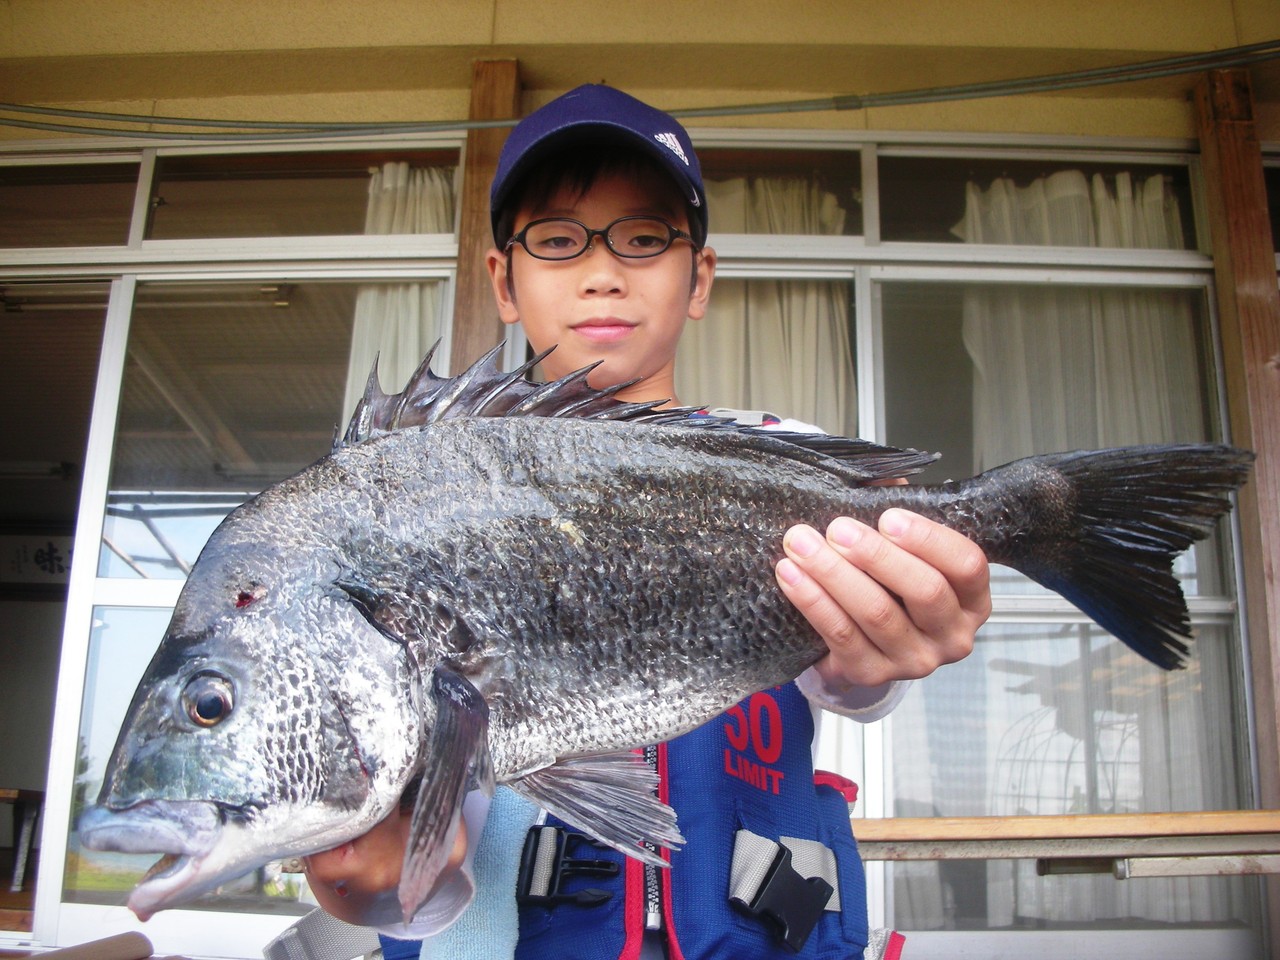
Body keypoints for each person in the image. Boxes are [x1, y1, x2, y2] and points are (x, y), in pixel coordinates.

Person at [302, 84, 990, 959]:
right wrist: (359, 861)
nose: (602, 270)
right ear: (501, 280)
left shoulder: (785, 464)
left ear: (698, 277)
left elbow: (853, 682)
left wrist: (882, 649)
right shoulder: (420, 496)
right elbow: (407, 884)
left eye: (644, 237)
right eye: (556, 239)